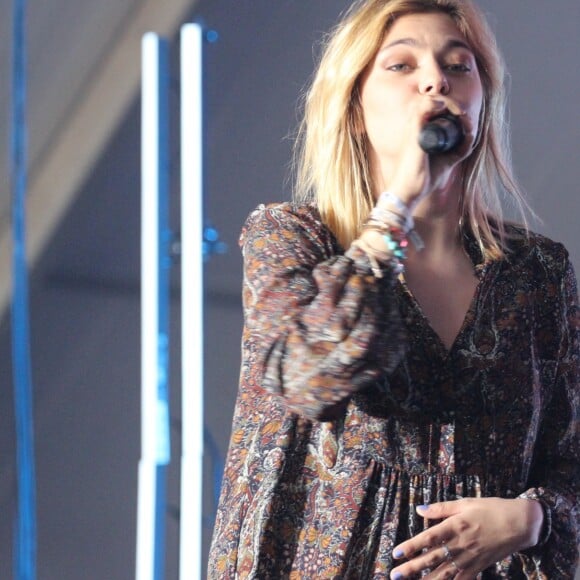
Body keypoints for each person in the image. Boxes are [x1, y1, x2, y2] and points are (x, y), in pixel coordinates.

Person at [208, 0, 579, 577]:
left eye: (460, 66)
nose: (435, 79)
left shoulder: (537, 272)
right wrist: (398, 205)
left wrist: (532, 519)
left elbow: (570, 457)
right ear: (355, 107)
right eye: (401, 66)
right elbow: (310, 376)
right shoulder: (292, 238)